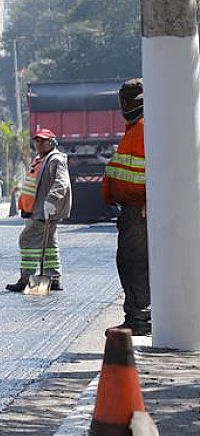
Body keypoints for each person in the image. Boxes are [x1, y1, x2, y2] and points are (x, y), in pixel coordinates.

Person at [101, 78, 149, 335]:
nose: (124, 105)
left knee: (135, 261)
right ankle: (137, 315)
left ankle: (141, 319)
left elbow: (162, 164)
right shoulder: (135, 128)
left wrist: (151, 200)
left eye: (127, 100)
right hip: (132, 208)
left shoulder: (145, 126)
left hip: (141, 208)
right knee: (129, 261)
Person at [6, 129, 71, 292]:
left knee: (27, 240)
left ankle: (26, 279)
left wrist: (51, 201)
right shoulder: (41, 159)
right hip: (39, 211)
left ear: (52, 142)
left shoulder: (55, 160)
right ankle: (53, 278)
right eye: (37, 141)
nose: (39, 144)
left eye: (43, 141)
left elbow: (61, 183)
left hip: (45, 211)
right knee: (49, 245)